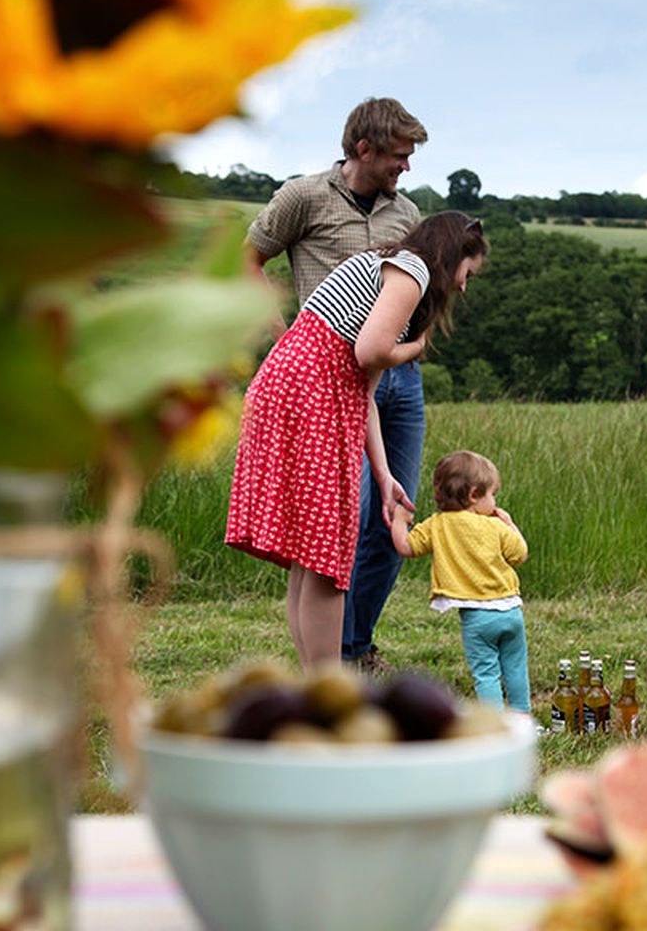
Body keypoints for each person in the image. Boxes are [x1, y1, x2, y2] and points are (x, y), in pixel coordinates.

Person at [227, 211, 488, 670]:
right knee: (328, 557)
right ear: (453, 257)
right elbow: (371, 352)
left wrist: (384, 475)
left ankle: (317, 685)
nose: (464, 287)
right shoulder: (412, 270)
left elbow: (362, 388)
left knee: (310, 554)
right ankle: (331, 689)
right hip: (311, 395)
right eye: (468, 273)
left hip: (296, 389)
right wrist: (417, 347)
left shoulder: (387, 266)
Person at [245, 97, 428, 674]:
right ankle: (331, 660)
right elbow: (247, 260)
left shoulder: (408, 214)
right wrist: (281, 337)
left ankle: (354, 645)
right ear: (363, 149)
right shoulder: (303, 197)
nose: (405, 168)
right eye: (398, 156)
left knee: (394, 514)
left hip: (400, 380)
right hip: (330, 379)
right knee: (333, 529)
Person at [389, 451, 530, 713]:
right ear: (474, 494)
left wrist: (399, 521)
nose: (494, 500)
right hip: (511, 612)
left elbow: (406, 547)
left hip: (477, 619)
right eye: (492, 494)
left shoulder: (437, 525)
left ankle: (494, 724)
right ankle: (523, 718)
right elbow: (520, 553)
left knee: (486, 673)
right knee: (515, 667)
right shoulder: (495, 526)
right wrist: (510, 525)